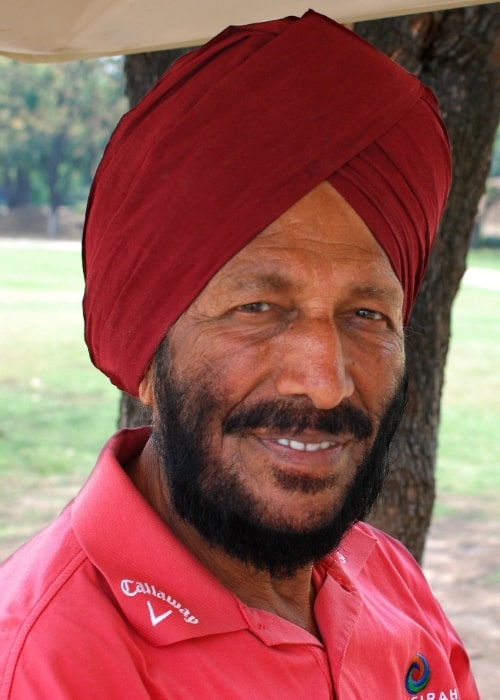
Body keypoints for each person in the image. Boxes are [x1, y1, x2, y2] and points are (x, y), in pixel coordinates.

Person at [0, 10, 478, 699]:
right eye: (258, 308)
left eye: (367, 314)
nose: (324, 383)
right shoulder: (46, 666)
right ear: (145, 362)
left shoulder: (383, 574)